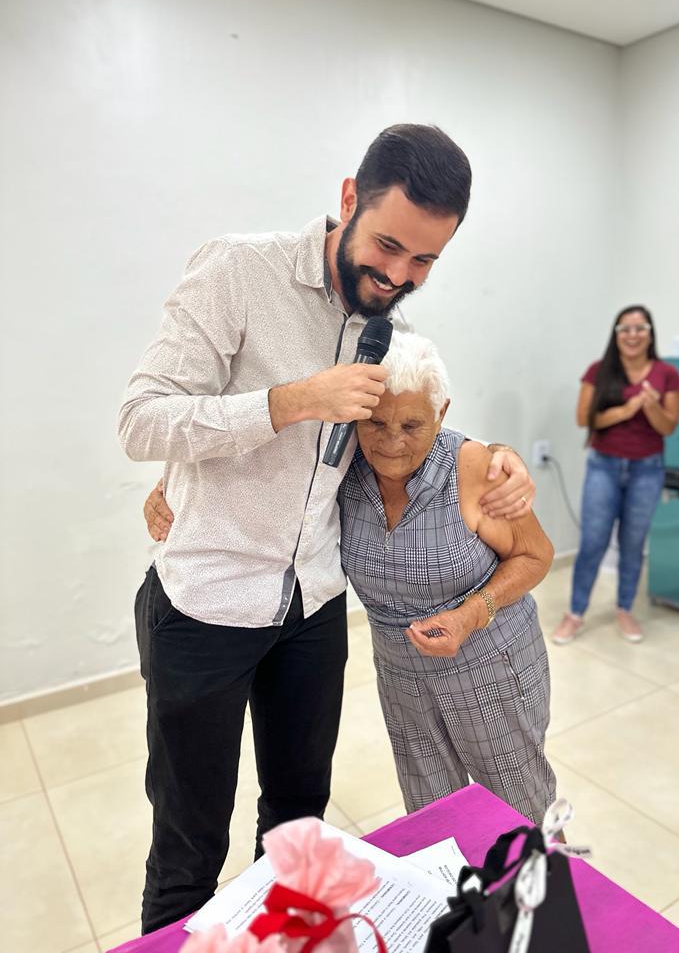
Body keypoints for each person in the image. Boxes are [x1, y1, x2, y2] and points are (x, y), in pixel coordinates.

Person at [119, 124, 536, 933]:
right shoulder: (239, 270)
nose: (398, 276)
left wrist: (501, 459)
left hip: (312, 613)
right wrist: (291, 402)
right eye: (387, 246)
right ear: (349, 199)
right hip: (205, 607)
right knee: (187, 847)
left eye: (424, 263)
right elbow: (142, 420)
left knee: (299, 829)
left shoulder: (391, 326)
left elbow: (417, 429)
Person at [147, 331, 557, 825]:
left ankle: (531, 900)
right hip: (401, 674)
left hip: (489, 664)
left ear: (442, 413)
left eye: (412, 424)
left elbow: (536, 555)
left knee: (516, 811)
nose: (391, 443)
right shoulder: (345, 467)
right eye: (376, 422)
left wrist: (471, 615)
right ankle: (458, 902)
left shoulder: (473, 468)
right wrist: (168, 487)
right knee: (430, 814)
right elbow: (261, 472)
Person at [552, 305, 679, 645]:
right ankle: (575, 612)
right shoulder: (599, 371)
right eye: (625, 328)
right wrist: (627, 409)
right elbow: (585, 419)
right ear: (616, 334)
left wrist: (651, 406)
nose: (633, 335)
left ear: (650, 333)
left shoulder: (667, 373)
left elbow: (668, 426)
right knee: (593, 542)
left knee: (633, 543)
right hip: (604, 467)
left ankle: (625, 608)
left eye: (640, 328)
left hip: (647, 470)